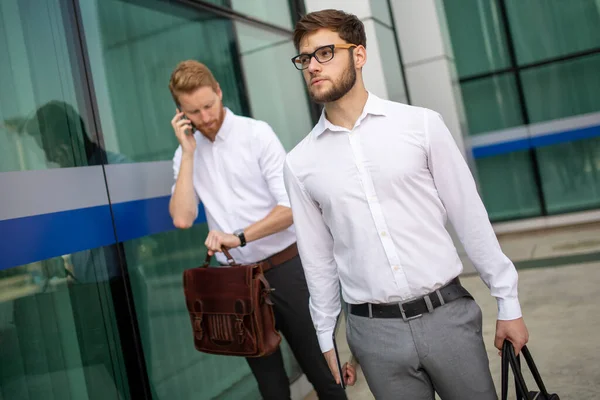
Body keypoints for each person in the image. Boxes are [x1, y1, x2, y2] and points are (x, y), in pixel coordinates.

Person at [283, 9, 529, 400]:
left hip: (447, 318)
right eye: (305, 58)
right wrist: (325, 334)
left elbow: (470, 218)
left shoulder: (421, 125)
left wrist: (508, 301)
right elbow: (318, 259)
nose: (313, 65)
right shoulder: (299, 163)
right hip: (373, 335)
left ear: (359, 55)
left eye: (325, 53)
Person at [167, 60, 347, 399]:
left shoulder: (256, 134)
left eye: (208, 105)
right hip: (237, 283)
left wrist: (240, 236)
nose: (205, 118)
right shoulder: (184, 154)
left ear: (219, 92)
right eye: (193, 112)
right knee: (271, 388)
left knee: (324, 373)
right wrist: (189, 155)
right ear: (180, 113)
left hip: (287, 271)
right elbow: (182, 217)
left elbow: (291, 207)